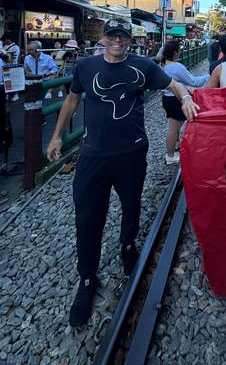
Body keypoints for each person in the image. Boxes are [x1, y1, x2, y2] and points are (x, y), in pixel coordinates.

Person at [46, 18, 198, 328]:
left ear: (130, 40)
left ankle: (128, 246)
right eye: (112, 35)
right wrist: (57, 135)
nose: (118, 41)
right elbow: (73, 99)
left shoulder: (143, 65)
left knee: (131, 205)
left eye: (123, 36)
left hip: (131, 152)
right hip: (93, 155)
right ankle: (87, 278)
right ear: (103, 37)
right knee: (88, 217)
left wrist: (185, 98)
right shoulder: (86, 67)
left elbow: (173, 83)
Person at [160, 40, 209, 164]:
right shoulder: (177, 67)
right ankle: (170, 156)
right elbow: (194, 82)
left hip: (167, 98)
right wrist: (209, 76)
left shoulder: (164, 64)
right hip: (175, 99)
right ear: (176, 53)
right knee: (173, 129)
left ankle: (173, 150)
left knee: (174, 127)